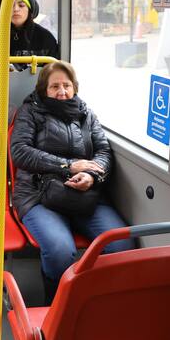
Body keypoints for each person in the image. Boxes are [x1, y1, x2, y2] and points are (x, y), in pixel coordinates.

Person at [10, 61, 134, 304]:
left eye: (66, 85)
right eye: (54, 86)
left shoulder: (86, 113)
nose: (62, 91)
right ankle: (57, 308)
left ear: (75, 88)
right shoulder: (30, 112)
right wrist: (67, 166)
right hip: (38, 194)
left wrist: (91, 176)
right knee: (60, 251)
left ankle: (98, 301)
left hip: (84, 193)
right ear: (44, 89)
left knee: (122, 244)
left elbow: (103, 152)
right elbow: (20, 152)